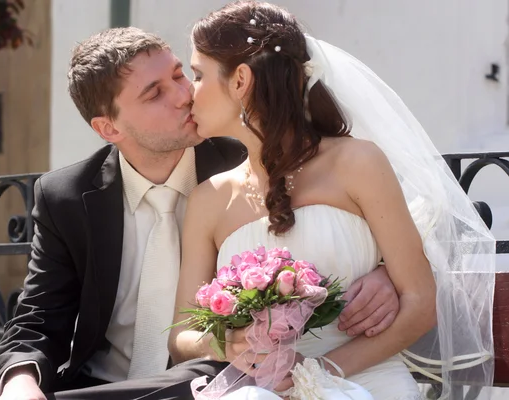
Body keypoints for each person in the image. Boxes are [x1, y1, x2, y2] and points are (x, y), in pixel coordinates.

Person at [0, 26, 402, 400]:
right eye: (155, 93)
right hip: (101, 388)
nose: (183, 94)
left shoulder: (247, 162)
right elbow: (39, 316)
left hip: (214, 380)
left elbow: (360, 208)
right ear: (108, 128)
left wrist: (383, 265)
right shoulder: (67, 196)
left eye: (178, 75)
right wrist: (19, 381)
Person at [168, 1, 495, 399]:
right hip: (258, 387)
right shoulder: (208, 199)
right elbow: (181, 336)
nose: (188, 93)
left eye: (198, 75)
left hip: (366, 379)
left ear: (239, 81)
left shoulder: (356, 162)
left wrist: (320, 373)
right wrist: (226, 343)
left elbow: (420, 301)